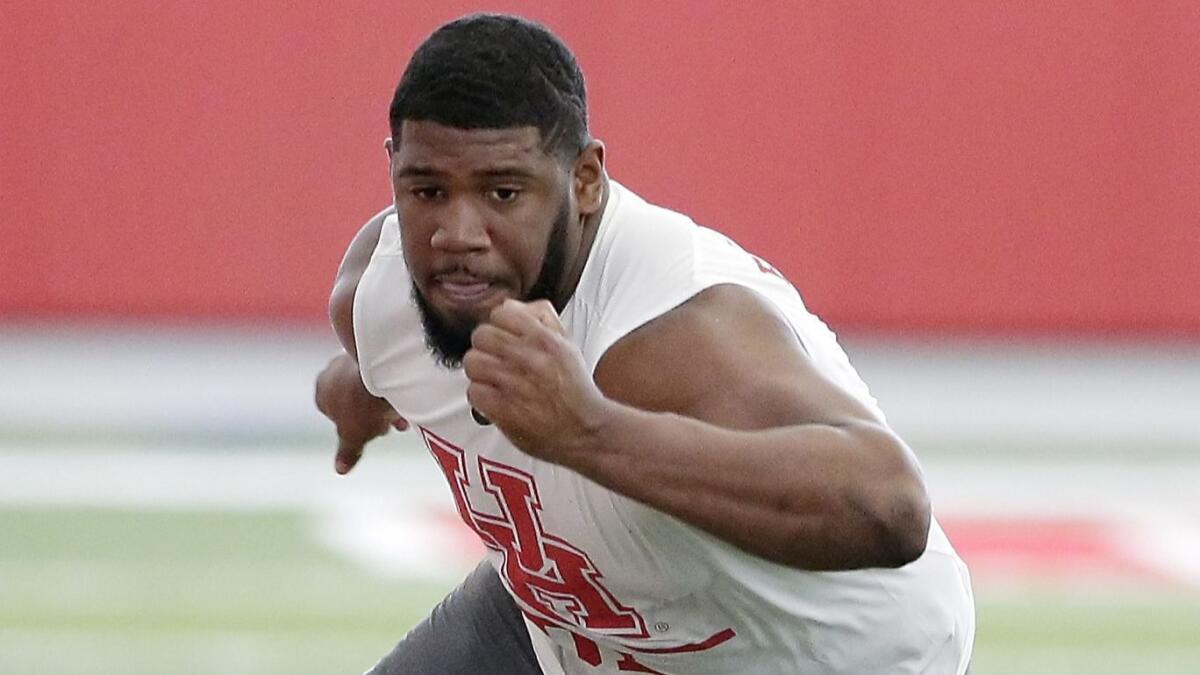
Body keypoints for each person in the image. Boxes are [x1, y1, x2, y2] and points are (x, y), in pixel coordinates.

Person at [316, 12, 974, 675]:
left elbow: (890, 507)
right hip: (586, 623)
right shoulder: (380, 295)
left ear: (585, 181)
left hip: (831, 656)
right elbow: (389, 354)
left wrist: (589, 431)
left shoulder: (669, 330)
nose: (457, 233)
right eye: (428, 189)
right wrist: (365, 386)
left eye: (503, 191)